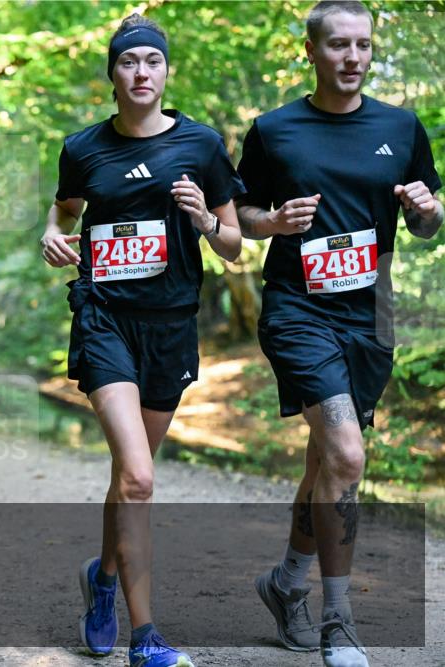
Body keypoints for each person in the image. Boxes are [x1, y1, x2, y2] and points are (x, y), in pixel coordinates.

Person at [234, 3, 442, 666]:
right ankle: (338, 621)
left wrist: (427, 212)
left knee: (325, 460)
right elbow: (237, 213)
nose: (353, 57)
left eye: (363, 45)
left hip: (372, 311)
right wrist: (272, 223)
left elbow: (426, 224)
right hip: (298, 309)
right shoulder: (274, 130)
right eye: (338, 45)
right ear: (311, 51)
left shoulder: (401, 127)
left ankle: (286, 581)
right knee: (348, 455)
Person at [41, 13, 244, 666]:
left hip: (170, 324)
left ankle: (102, 580)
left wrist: (206, 218)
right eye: (128, 62)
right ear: (113, 74)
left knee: (132, 479)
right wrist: (50, 232)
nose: (140, 73)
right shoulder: (83, 148)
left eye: (151, 62)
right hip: (104, 317)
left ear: (166, 72)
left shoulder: (203, 146)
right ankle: (146, 637)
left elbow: (235, 246)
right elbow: (66, 208)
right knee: (136, 473)